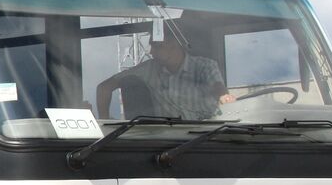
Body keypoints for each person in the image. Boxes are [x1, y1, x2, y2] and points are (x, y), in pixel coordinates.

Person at [95, 25, 236, 121]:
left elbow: (218, 87)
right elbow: (104, 88)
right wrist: (104, 124)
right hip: (167, 143)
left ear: (174, 46)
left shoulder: (205, 66)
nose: (151, 51)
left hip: (207, 141)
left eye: (157, 46)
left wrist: (224, 97)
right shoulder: (148, 69)